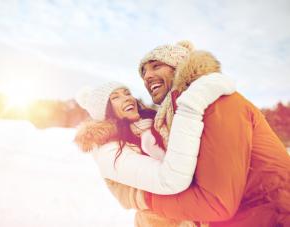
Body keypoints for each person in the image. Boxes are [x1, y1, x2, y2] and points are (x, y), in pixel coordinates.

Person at [101, 40, 290, 227]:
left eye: (156, 66)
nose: (147, 76)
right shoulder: (180, 117)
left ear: (179, 67)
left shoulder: (219, 103)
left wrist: (141, 198)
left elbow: (216, 203)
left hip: (273, 215)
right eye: (143, 73)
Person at [75, 75, 235, 226]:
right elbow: (169, 179)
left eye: (127, 93)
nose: (128, 98)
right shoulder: (108, 152)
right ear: (104, 111)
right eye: (115, 97)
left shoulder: (151, 126)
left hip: (194, 216)